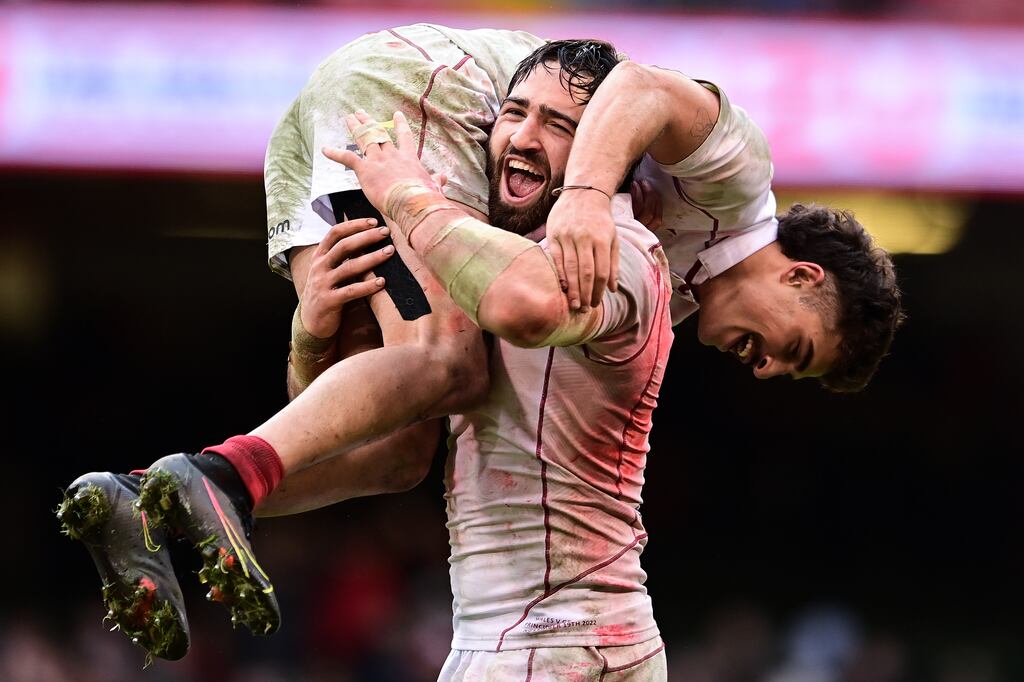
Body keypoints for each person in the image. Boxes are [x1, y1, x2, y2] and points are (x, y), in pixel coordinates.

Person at [58, 31, 903, 672]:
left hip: (339, 117)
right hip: (420, 98)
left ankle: (158, 497)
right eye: (795, 350)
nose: (766, 370)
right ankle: (226, 476)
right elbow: (639, 86)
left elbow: (368, 401)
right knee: (453, 363)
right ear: (800, 276)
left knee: (404, 447)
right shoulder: (737, 179)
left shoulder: (660, 283)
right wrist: (582, 194)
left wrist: (311, 337)